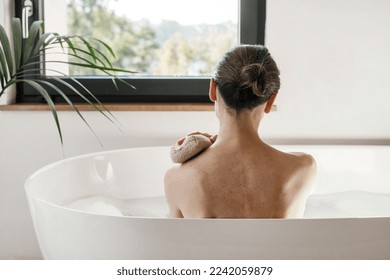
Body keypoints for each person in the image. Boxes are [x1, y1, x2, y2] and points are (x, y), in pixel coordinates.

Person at [164, 45, 316, 218]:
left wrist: (203, 151)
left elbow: (177, 242)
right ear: (271, 100)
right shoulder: (303, 168)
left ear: (212, 89)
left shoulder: (176, 179)